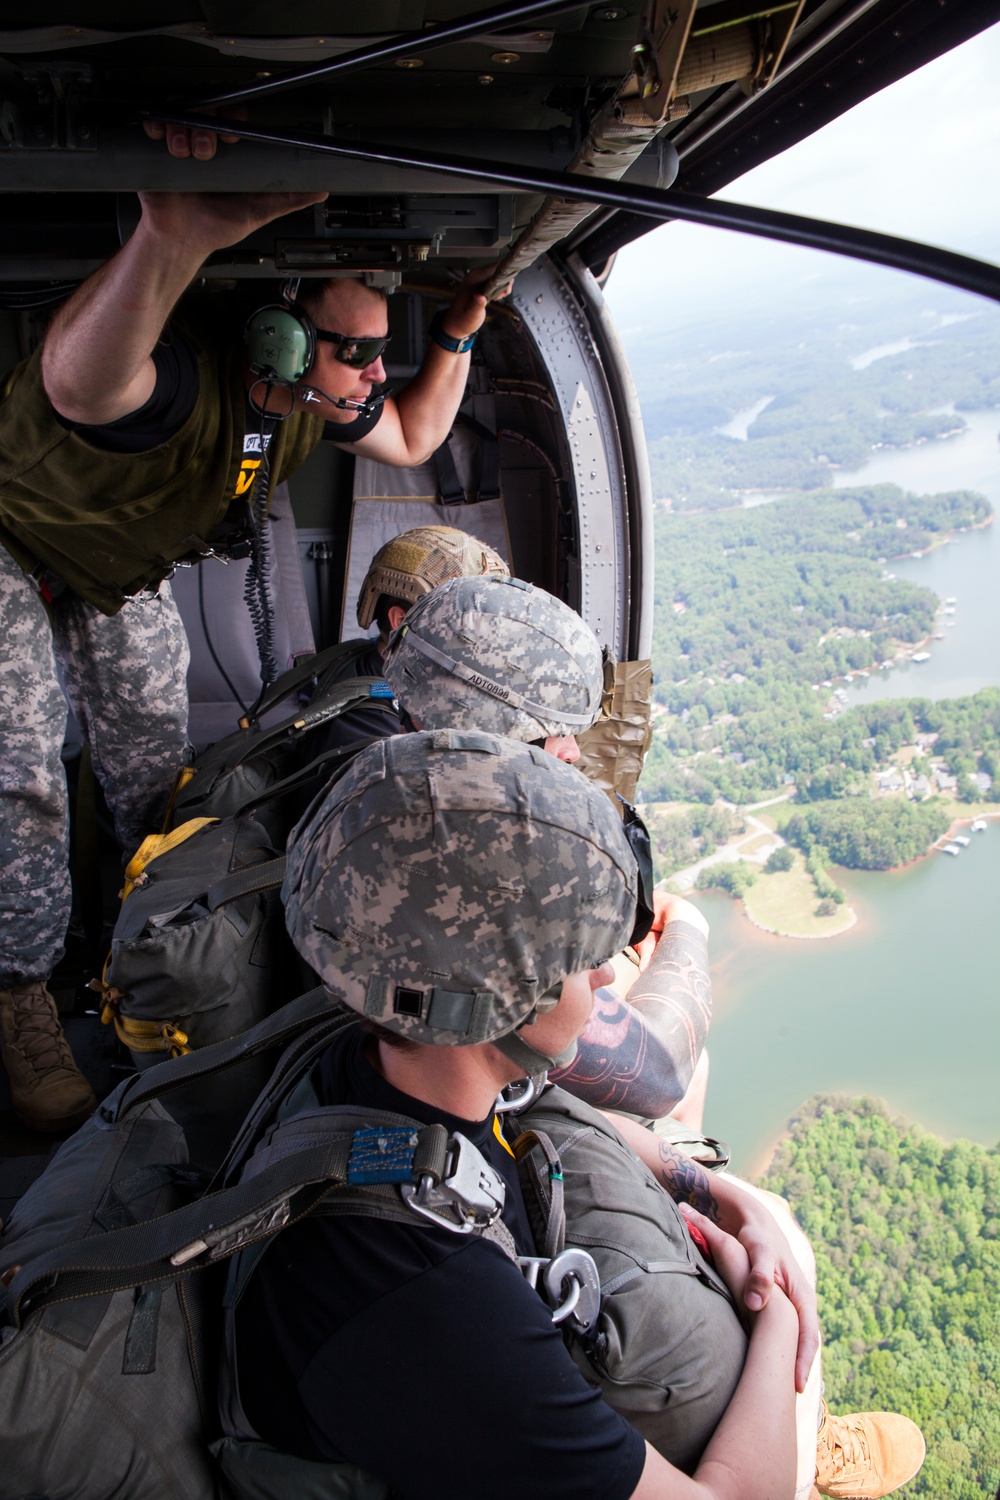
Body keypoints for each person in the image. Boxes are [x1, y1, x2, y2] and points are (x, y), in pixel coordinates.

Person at [0, 185, 495, 1132]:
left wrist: (460, 333)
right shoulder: (183, 374)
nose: (375, 370)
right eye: (357, 350)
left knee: (153, 751)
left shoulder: (311, 400)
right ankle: (21, 992)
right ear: (285, 342)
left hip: (106, 562)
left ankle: (149, 920)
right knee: (20, 769)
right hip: (10, 536)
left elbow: (417, 434)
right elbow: (77, 384)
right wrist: (169, 236)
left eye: (381, 348)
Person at [230, 729, 801, 1500]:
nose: (605, 974)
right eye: (578, 956)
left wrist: (727, 1200)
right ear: (493, 1002)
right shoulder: (436, 1301)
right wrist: (784, 1324)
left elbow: (541, 1102)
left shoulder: (395, 1059)